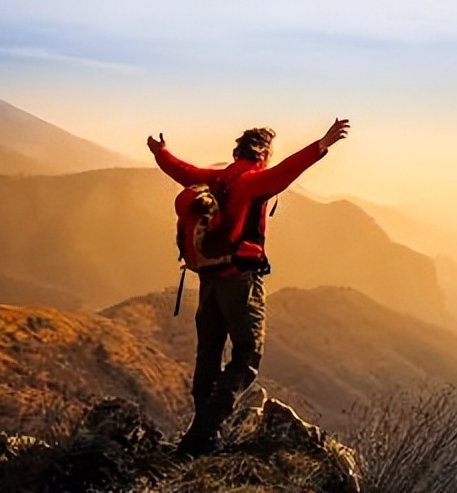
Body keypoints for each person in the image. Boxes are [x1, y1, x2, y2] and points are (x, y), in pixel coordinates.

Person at [146, 118, 350, 456]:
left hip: (207, 279)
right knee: (247, 354)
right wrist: (323, 144)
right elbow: (289, 169)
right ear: (264, 153)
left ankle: (200, 434)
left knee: (208, 354)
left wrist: (160, 151)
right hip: (240, 280)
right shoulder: (254, 181)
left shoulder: (218, 178)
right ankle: (205, 431)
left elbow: (182, 171)